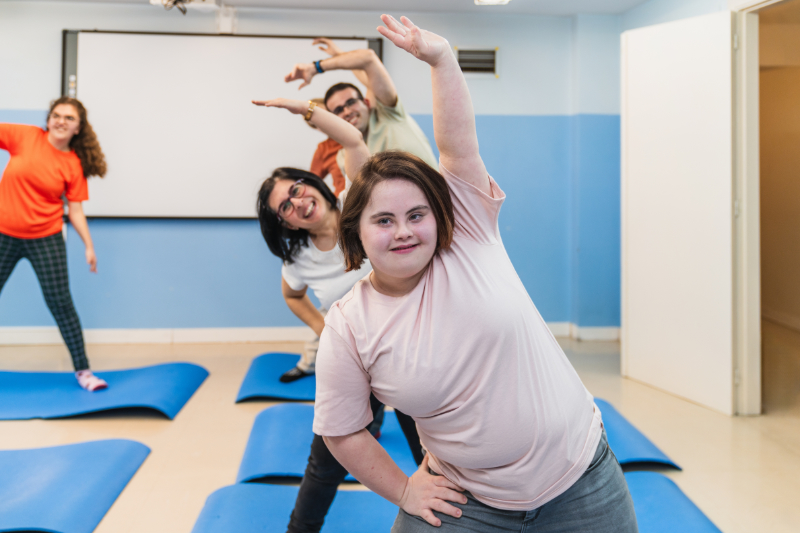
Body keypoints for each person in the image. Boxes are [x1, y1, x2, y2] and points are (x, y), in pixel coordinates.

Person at [312, 15, 638, 533]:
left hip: (581, 481)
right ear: (357, 230)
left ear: (440, 216)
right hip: (464, 502)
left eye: (417, 215)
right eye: (384, 220)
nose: (403, 231)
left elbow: (457, 150)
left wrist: (442, 61)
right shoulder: (349, 326)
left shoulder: (468, 238)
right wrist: (403, 489)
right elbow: (342, 431)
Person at [252, 96, 425, 533]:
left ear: (310, 182)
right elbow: (293, 297)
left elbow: (352, 138)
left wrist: (304, 110)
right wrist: (322, 326)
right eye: (284, 208)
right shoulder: (299, 259)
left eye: (295, 189)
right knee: (325, 463)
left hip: (412, 352)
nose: (296, 203)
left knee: (431, 452)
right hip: (353, 359)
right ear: (286, 224)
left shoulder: (359, 202)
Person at [278, 35, 437, 382]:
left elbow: (367, 60)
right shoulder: (340, 154)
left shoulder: (389, 114)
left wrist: (321, 64)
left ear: (366, 102)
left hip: (439, 220)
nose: (348, 111)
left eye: (352, 102)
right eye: (338, 111)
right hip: (402, 238)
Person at [0, 97, 108, 392]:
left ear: (78, 128)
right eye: (57, 115)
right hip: (3, 234)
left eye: (69, 118)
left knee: (61, 304)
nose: (61, 121)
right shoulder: (25, 136)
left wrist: (89, 246)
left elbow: (74, 210)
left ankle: (84, 372)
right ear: (48, 120)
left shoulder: (73, 165)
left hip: (45, 238)